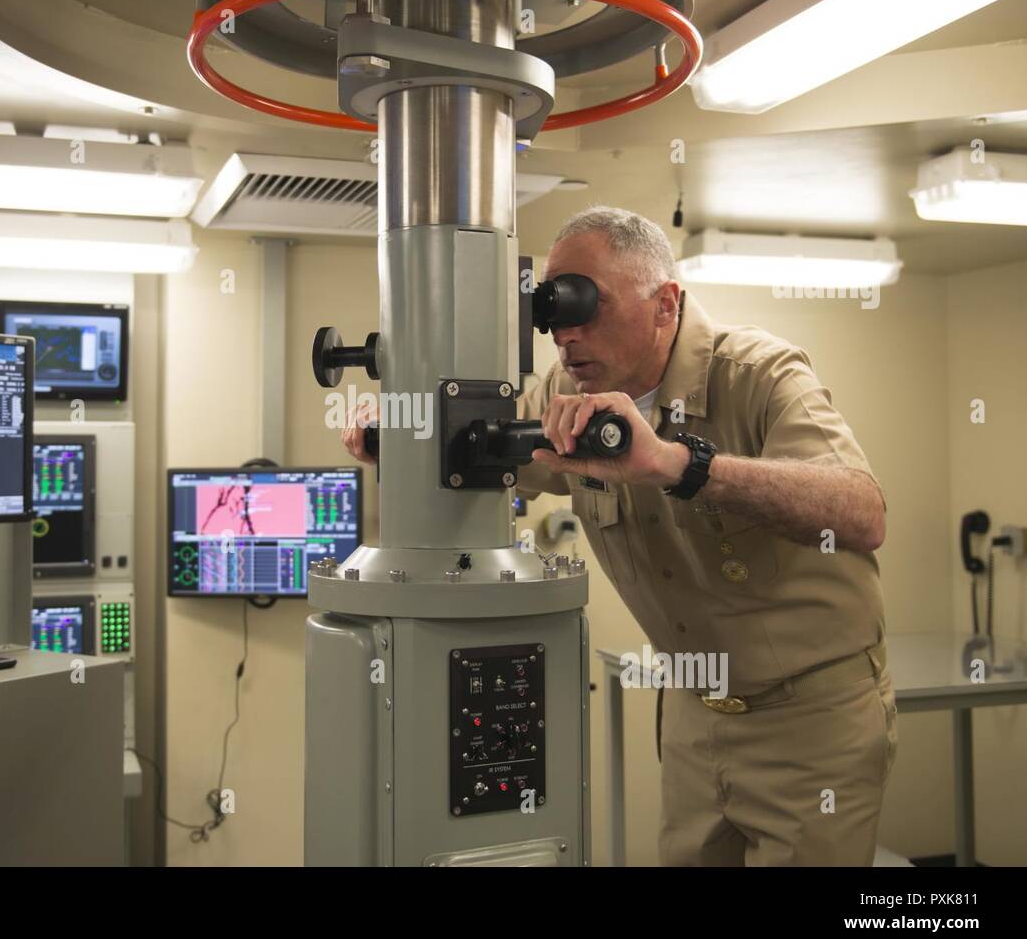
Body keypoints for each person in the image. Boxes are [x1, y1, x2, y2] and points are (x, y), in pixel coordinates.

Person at [342, 205, 898, 866]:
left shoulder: (758, 375)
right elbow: (481, 461)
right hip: (695, 711)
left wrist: (677, 464)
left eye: (585, 306)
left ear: (665, 304)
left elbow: (863, 513)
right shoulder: (563, 392)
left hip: (810, 719)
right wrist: (401, 436)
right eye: (551, 313)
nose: (565, 335)